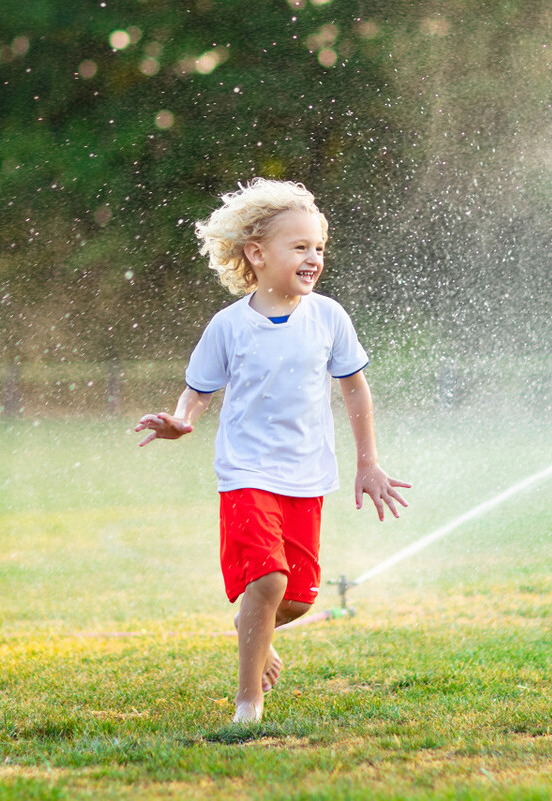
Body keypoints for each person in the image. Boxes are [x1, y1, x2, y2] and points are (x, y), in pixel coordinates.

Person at [135, 178, 410, 724]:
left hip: (307, 477)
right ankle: (248, 703)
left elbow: (355, 387)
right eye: (300, 246)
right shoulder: (229, 326)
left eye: (319, 248)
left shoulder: (329, 317)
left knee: (298, 599)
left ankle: (250, 628)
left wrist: (369, 462)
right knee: (268, 580)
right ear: (256, 255)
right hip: (246, 473)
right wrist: (182, 421)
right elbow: (199, 389)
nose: (313, 258)